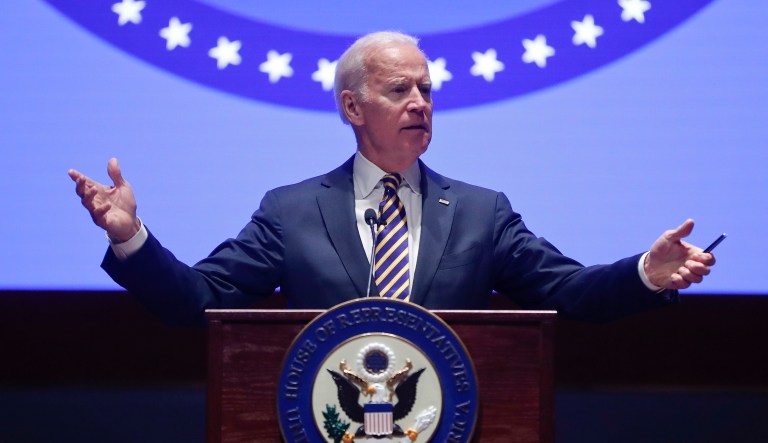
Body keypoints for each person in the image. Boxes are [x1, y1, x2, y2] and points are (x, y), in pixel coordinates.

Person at [68, 31, 715, 325]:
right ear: (352, 107)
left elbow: (567, 292)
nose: (420, 102)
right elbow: (199, 301)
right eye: (399, 88)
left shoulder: (481, 212)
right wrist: (131, 237)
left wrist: (644, 274)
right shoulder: (290, 210)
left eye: (427, 90)